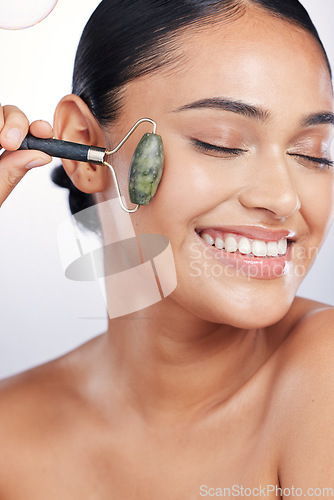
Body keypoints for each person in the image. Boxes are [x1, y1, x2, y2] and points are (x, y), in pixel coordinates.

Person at [0, 0, 334, 497]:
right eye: (220, 142)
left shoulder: (322, 375)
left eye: (314, 153)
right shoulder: (11, 437)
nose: (283, 198)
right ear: (84, 145)